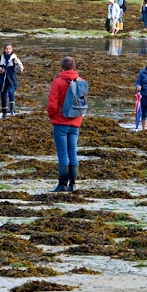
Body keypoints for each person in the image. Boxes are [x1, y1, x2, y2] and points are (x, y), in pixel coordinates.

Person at [47, 56, 84, 192]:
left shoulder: (58, 82)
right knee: (72, 153)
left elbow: (52, 103)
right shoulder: (81, 81)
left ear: (61, 67)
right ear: (74, 67)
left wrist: (53, 117)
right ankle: (73, 185)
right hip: (75, 122)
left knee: (63, 154)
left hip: (60, 122)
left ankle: (62, 184)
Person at [0, 43, 24, 118]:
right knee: (3, 96)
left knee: (10, 92)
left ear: (12, 50)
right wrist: (0, 70)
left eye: (9, 49)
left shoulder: (15, 58)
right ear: (4, 49)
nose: (8, 50)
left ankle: (12, 112)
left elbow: (20, 70)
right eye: (6, 49)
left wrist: (16, 64)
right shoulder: (0, 58)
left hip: (12, 80)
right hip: (2, 80)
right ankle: (4, 113)